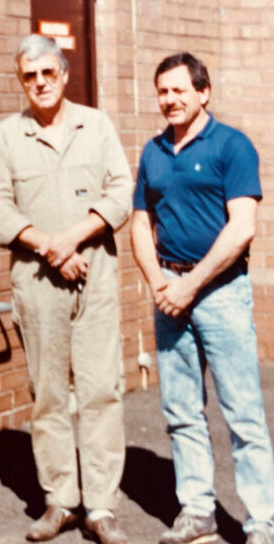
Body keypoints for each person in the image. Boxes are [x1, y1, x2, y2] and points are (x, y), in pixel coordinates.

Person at [0, 34, 132, 544]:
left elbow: (121, 194)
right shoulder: (6, 136)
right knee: (47, 394)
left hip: (95, 276)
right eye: (30, 75)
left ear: (64, 74)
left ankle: (101, 506)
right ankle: (60, 500)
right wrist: (49, 249)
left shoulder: (98, 125)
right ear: (21, 80)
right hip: (37, 282)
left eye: (49, 72)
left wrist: (69, 242)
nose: (41, 83)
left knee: (99, 390)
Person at [131, 52, 274, 544]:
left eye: (179, 90)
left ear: (203, 92)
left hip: (220, 295)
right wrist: (158, 282)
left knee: (243, 414)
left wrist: (190, 286)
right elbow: (139, 224)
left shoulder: (231, 146)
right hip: (169, 293)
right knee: (181, 412)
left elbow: (242, 228)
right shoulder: (152, 152)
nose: (169, 100)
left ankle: (261, 523)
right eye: (163, 91)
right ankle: (197, 511)